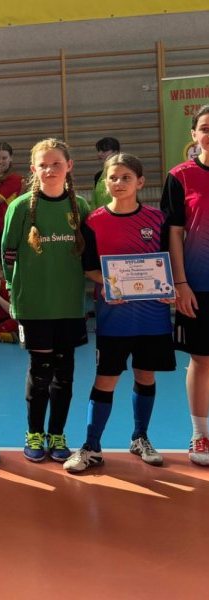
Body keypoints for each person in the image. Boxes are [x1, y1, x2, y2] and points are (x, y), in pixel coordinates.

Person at [64, 154, 174, 473]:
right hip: (114, 318)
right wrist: (112, 284)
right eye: (113, 177)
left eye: (126, 177)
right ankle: (91, 446)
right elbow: (89, 268)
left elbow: (167, 261)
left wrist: (170, 287)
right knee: (106, 378)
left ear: (140, 182)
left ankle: (140, 438)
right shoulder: (94, 221)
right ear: (105, 183)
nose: (119, 183)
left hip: (153, 316)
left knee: (145, 375)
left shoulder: (158, 220)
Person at [2, 138, 89, 463]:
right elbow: (8, 254)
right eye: (43, 165)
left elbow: (90, 255)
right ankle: (34, 433)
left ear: (69, 166)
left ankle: (57, 434)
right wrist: (15, 291)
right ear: (33, 169)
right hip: (35, 305)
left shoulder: (80, 207)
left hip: (69, 305)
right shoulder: (20, 207)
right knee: (40, 373)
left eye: (56, 164)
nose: (50, 170)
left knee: (65, 374)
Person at [161, 104, 209, 466]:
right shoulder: (180, 176)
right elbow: (174, 233)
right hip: (198, 284)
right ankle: (200, 434)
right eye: (205, 128)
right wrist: (180, 282)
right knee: (202, 359)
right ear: (194, 135)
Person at [0, 142, 24, 259]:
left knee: (2, 263)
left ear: (11, 158)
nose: (0, 161)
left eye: (4, 158)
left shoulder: (15, 179)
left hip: (4, 227)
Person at [91, 137, 121, 212]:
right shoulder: (98, 176)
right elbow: (94, 202)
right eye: (99, 151)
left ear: (116, 152)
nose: (99, 154)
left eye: (104, 150)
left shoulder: (125, 175)